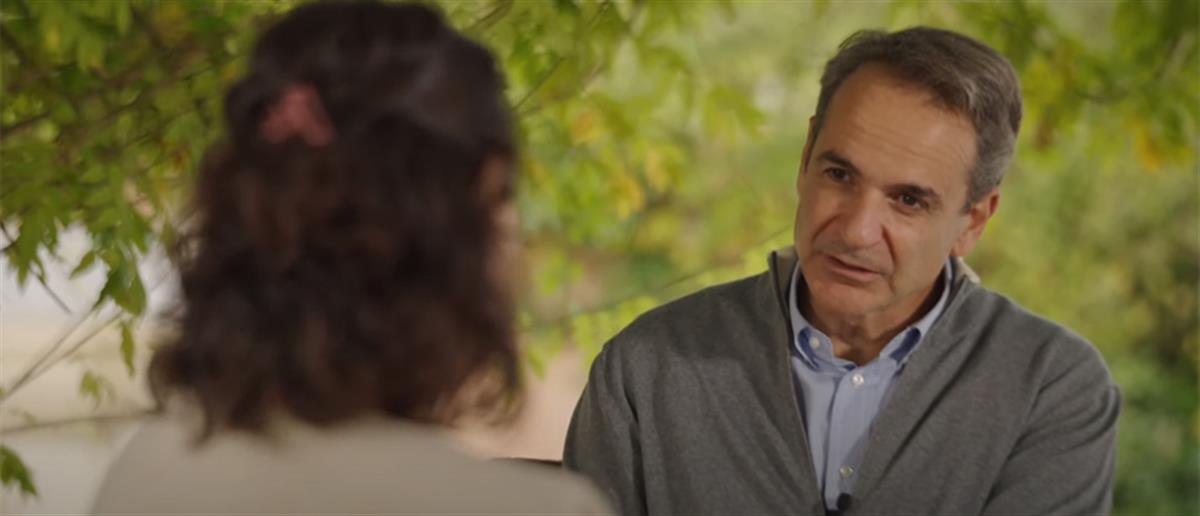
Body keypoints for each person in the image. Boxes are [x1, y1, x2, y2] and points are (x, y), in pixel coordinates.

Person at [564, 27, 1119, 515]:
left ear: (972, 221)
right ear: (806, 157)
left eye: (907, 200)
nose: (855, 231)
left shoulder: (1052, 388)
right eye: (839, 174)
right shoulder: (647, 369)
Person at [91, 2, 611, 514]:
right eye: (501, 197)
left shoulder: (144, 470)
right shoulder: (537, 508)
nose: (514, 233)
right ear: (447, 239)